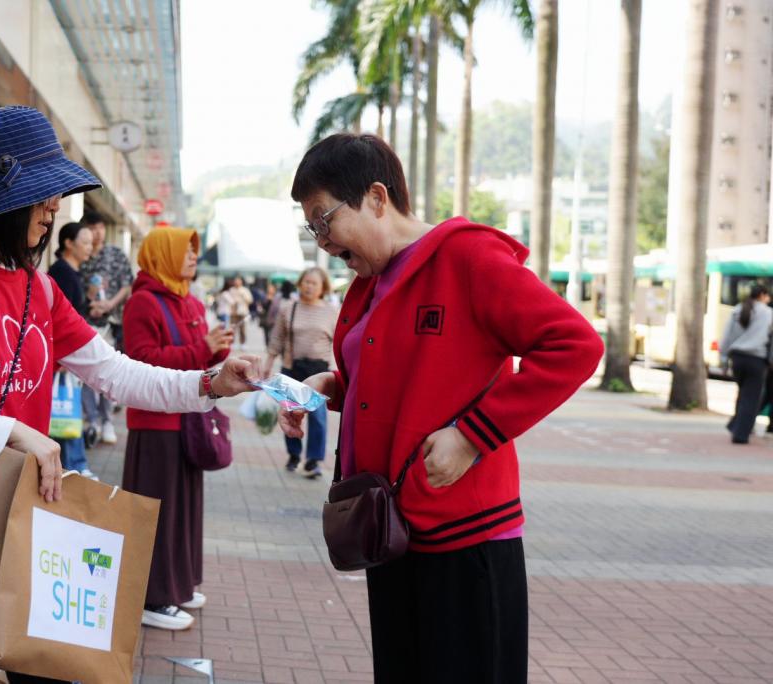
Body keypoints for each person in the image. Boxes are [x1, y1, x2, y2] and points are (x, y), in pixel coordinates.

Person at [0, 106, 259, 683]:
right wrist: (8, 433)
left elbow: (115, 373)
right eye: (43, 195)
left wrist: (210, 383)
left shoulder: (36, 287)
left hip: (19, 528)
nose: (54, 209)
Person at [278, 133, 603, 683]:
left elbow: (575, 345)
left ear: (377, 198)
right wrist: (334, 386)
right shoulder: (370, 282)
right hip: (391, 530)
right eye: (313, 227)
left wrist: (472, 435)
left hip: (465, 536)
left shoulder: (468, 258)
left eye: (324, 219)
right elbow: (401, 376)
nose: (322, 241)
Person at [121, 227, 235, 631]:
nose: (192, 257)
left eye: (192, 251)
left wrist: (220, 347)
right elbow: (141, 362)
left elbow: (198, 357)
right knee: (159, 512)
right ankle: (152, 596)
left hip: (188, 418)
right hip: (156, 424)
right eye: (184, 251)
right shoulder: (143, 303)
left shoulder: (189, 299)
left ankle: (178, 584)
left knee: (184, 510)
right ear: (162, 255)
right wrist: (202, 349)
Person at [264, 267, 337, 478]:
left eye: (314, 283)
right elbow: (277, 337)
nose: (309, 286)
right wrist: (269, 360)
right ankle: (294, 454)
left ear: (323, 287)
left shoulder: (332, 311)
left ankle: (314, 460)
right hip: (293, 369)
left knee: (318, 418)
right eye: (306, 282)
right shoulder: (289, 307)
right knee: (291, 413)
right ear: (299, 283)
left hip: (319, 370)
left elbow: (340, 341)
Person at [79, 211, 134, 445]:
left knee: (109, 372)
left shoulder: (115, 254)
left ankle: (107, 420)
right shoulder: (83, 255)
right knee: (88, 376)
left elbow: (127, 283)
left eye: (100, 227)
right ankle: (92, 420)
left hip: (112, 322)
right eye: (92, 227)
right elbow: (78, 289)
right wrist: (91, 302)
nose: (97, 232)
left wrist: (110, 303)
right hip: (88, 320)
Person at [47, 222, 94, 476]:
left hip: (68, 353)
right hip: (63, 355)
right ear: (68, 243)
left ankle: (74, 463)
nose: (90, 247)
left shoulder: (72, 272)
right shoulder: (61, 274)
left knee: (66, 408)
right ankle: (75, 464)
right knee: (65, 408)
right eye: (85, 242)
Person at [720, 284, 772, 444]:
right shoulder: (768, 313)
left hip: (737, 358)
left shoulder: (738, 309)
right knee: (751, 398)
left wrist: (723, 359)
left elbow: (727, 335)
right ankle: (740, 434)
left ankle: (735, 425)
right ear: (763, 295)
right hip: (756, 360)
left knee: (743, 394)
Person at [222, 275, 253, 349]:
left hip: (243, 312)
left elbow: (250, 300)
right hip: (233, 313)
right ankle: (232, 343)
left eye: (238, 280)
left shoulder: (245, 290)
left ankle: (243, 343)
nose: (237, 282)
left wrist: (243, 296)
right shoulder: (231, 290)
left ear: (241, 281)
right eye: (235, 280)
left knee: (243, 329)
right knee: (233, 328)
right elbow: (228, 300)